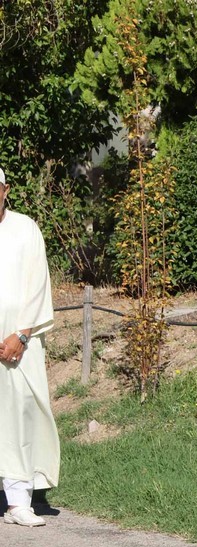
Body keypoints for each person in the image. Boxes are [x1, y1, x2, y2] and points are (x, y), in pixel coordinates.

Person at [0, 166, 60, 528]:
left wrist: (21, 336)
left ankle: (18, 501)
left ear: (5, 190)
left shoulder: (26, 228)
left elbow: (38, 283)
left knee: (20, 415)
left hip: (17, 343)